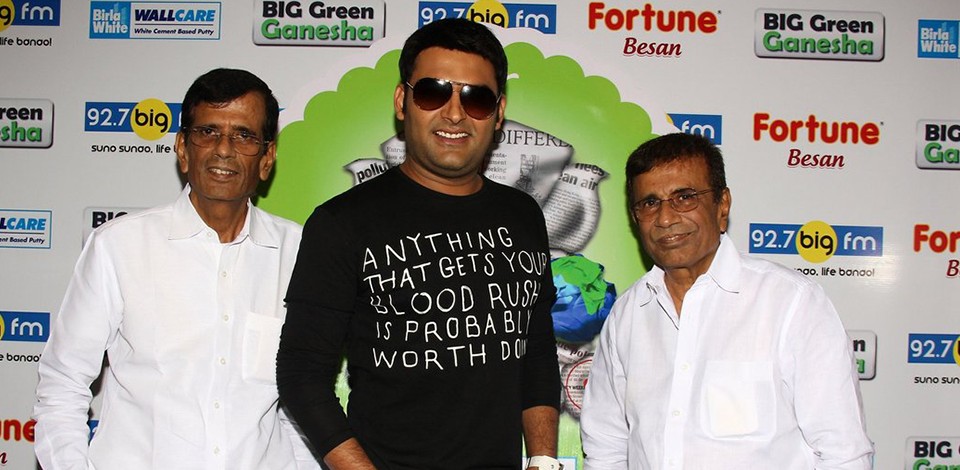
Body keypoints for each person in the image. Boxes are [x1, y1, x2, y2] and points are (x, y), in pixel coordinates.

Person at [276, 18, 563, 470]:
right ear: (402, 101)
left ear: (498, 112)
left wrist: (544, 460)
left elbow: (538, 350)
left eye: (476, 98)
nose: (455, 113)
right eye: (433, 92)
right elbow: (301, 375)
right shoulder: (342, 222)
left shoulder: (523, 215)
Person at [34, 68, 317, 469]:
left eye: (244, 135)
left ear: (267, 158)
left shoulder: (299, 253)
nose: (224, 149)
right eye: (208, 132)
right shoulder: (119, 246)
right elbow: (62, 385)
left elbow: (302, 400)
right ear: (183, 148)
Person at [580, 133, 874, 469]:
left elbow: (843, 453)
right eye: (649, 203)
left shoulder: (790, 303)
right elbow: (606, 449)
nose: (665, 218)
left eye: (684, 198)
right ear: (636, 218)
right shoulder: (627, 316)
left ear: (722, 205)